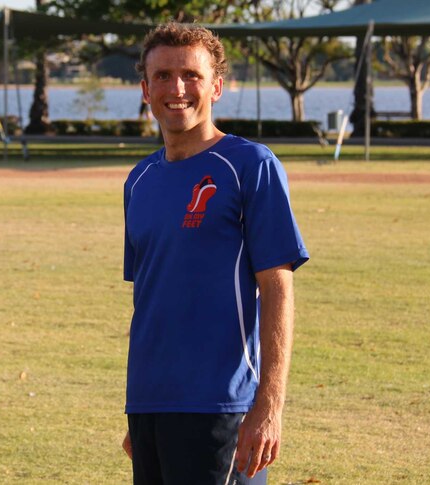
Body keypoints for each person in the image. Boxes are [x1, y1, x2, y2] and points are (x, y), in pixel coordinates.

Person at [121, 23, 309, 484]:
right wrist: (142, 410)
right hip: (150, 406)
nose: (177, 88)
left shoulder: (251, 165)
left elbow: (277, 289)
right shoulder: (138, 180)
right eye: (163, 76)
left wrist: (269, 406)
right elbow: (150, 298)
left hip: (221, 406)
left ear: (217, 86)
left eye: (191, 75)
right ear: (146, 89)